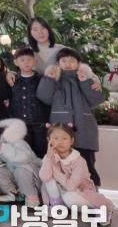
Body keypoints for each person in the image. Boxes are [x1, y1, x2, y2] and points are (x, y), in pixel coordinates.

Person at [37, 47, 105, 187]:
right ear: (58, 63)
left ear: (79, 63)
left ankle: (92, 193)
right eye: (64, 61)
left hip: (84, 131)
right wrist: (49, 79)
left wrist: (85, 81)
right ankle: (65, 195)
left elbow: (97, 100)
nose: (68, 63)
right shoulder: (54, 79)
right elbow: (44, 97)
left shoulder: (87, 78)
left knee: (87, 164)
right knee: (59, 165)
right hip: (60, 133)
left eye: (72, 60)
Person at [40, 123, 113, 225]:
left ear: (71, 141)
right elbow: (44, 177)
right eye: (56, 138)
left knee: (69, 197)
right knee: (47, 178)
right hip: (63, 191)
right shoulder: (50, 157)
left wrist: (56, 172)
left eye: (65, 138)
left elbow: (71, 186)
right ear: (49, 140)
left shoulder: (79, 161)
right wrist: (48, 157)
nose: (60, 142)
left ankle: (100, 209)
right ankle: (58, 207)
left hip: (80, 192)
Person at [0, 119, 42, 207]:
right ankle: (14, 194)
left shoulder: (11, 138)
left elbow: (25, 158)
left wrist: (2, 149)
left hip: (33, 176)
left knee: (20, 169)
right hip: (17, 183)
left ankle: (32, 197)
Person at [7, 46, 50, 158]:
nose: (26, 62)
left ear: (35, 61)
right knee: (24, 155)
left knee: (42, 154)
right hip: (20, 125)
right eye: (22, 60)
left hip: (40, 124)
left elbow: (48, 99)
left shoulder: (42, 79)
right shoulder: (12, 80)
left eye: (29, 59)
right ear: (16, 62)